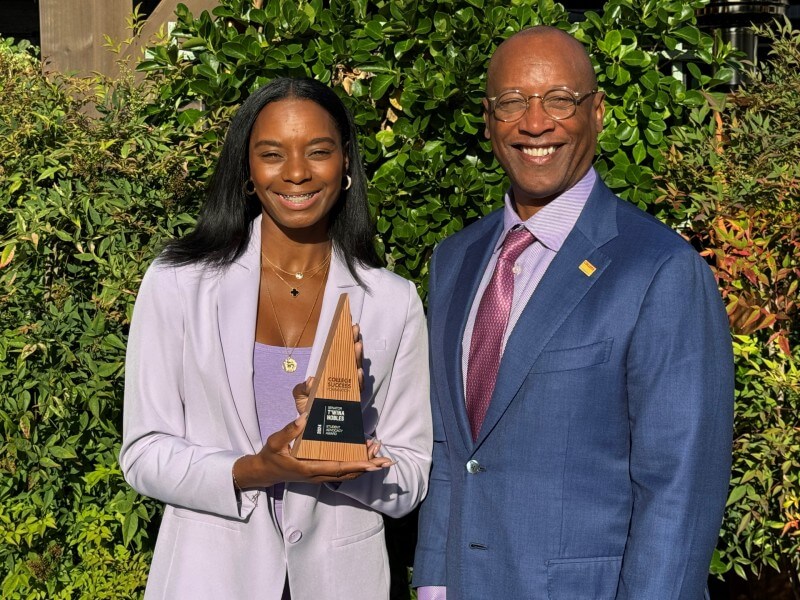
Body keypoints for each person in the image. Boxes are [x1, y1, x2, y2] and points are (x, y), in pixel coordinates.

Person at [413, 26, 733, 600]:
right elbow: (451, 451)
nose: (536, 123)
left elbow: (678, 487)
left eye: (560, 99)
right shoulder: (454, 261)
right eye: (512, 102)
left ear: (597, 112)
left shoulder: (659, 270)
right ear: (488, 120)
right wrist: (434, 580)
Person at [120, 77, 432, 600]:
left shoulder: (392, 301)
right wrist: (254, 470)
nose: (295, 172)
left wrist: (338, 457)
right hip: (208, 580)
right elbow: (144, 453)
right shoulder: (178, 282)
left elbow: (411, 478)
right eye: (271, 153)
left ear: (347, 163)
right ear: (247, 169)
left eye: (318, 151)